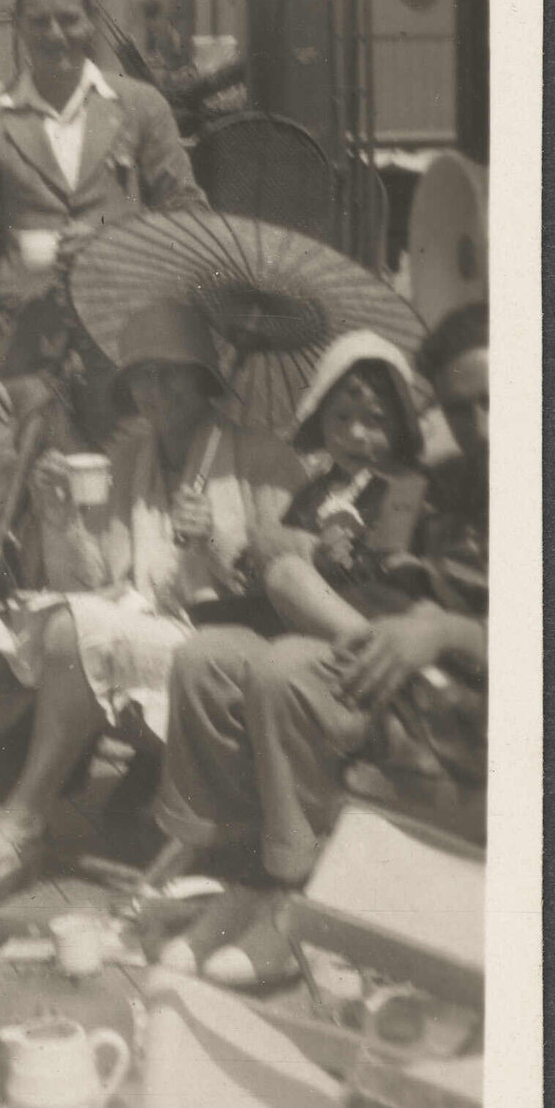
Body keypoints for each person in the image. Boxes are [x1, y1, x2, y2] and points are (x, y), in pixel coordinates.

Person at [150, 301, 489, 991]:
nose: (481, 426)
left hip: (464, 698)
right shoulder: (452, 482)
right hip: (394, 648)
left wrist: (445, 630)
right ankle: (238, 878)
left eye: (495, 401)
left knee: (285, 670)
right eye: (461, 409)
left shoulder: (422, 483)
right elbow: (390, 569)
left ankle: (294, 896)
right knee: (205, 659)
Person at [0, 300, 305, 892]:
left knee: (77, 630)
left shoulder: (265, 459)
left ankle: (23, 817)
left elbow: (286, 589)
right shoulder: (132, 456)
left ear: (205, 379)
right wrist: (60, 518)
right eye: (143, 376)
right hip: (129, 629)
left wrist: (219, 541)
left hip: (213, 648)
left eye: (173, 374)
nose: (157, 392)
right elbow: (94, 583)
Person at [0, 0, 206, 431]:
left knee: (131, 469)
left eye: (68, 19)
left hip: (126, 349)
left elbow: (191, 217)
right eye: (39, 22)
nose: (55, 35)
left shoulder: (140, 106)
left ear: (91, 22)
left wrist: (114, 238)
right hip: (22, 356)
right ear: (18, 26)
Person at [262, 330, 428, 642]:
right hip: (305, 618)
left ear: (401, 425)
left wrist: (344, 556)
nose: (355, 434)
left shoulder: (403, 488)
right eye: (341, 417)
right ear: (320, 420)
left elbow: (391, 564)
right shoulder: (312, 495)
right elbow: (286, 540)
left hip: (377, 616)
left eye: (375, 419)